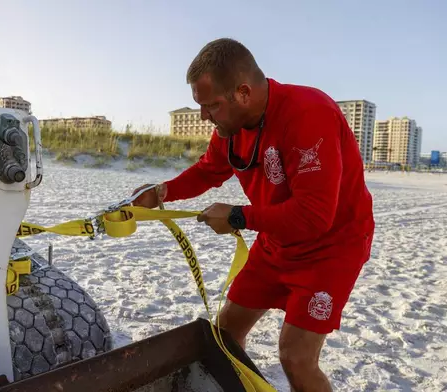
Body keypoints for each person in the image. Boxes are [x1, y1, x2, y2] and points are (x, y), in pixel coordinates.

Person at [131, 38, 375, 392]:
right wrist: (161, 192)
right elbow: (208, 169)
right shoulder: (230, 128)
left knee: (295, 356)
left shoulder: (308, 112)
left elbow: (315, 215)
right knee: (225, 333)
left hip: (331, 248)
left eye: (210, 105)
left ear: (243, 92)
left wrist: (237, 217)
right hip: (277, 240)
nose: (203, 116)